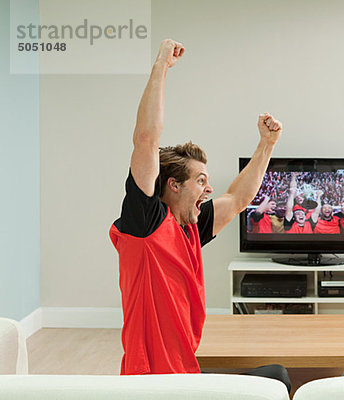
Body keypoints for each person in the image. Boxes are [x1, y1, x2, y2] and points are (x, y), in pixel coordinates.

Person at [109, 39, 291, 391]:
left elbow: (238, 199)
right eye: (201, 181)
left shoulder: (190, 228)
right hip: (154, 384)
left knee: (277, 375)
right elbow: (146, 139)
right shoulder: (144, 226)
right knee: (278, 379)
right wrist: (161, 66)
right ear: (173, 185)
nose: (208, 190)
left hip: (184, 374)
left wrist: (267, 145)